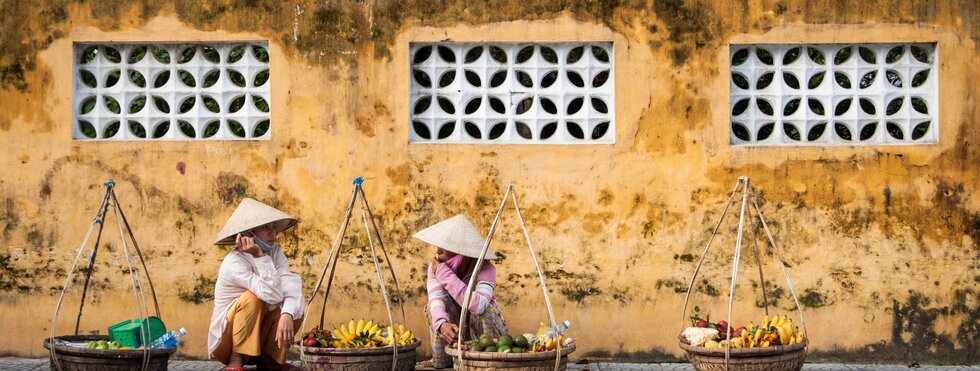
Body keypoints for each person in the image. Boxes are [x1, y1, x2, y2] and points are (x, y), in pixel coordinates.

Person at [207, 198, 304, 371]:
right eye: (266, 227)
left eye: (273, 227)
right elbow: (272, 295)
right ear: (247, 234)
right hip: (227, 342)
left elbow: (291, 287)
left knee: (294, 306)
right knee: (253, 298)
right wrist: (259, 257)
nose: (272, 233)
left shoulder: (275, 253)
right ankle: (235, 360)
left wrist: (288, 313)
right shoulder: (234, 262)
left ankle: (270, 360)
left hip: (258, 339)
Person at [413, 214, 508, 369]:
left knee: (486, 308)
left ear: (461, 249)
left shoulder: (485, 268)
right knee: (431, 308)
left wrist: (444, 274)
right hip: (455, 329)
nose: (437, 250)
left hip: (484, 338)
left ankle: (487, 359)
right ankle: (445, 356)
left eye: (446, 245)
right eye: (438, 245)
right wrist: (442, 324)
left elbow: (479, 306)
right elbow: (436, 298)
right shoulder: (434, 267)